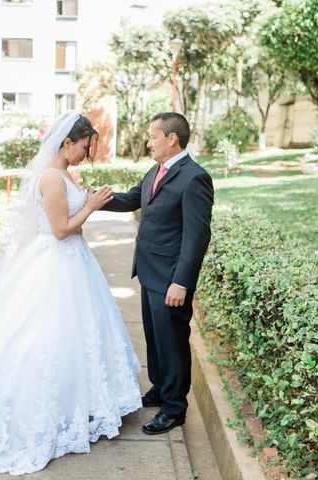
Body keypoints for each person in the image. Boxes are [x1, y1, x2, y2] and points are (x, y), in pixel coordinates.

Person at [0, 111, 142, 475]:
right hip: (55, 262)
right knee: (44, 338)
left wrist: (88, 198)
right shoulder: (50, 176)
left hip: (75, 263)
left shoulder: (63, 172)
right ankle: (47, 412)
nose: (85, 153)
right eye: (83, 146)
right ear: (66, 143)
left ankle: (79, 404)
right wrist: (91, 207)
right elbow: (61, 229)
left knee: (79, 337)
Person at [102, 112, 213, 435]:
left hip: (171, 280)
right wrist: (90, 199)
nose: (148, 142)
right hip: (149, 272)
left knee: (173, 343)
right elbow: (130, 200)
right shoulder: (156, 170)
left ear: (171, 138)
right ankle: (160, 387)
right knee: (155, 339)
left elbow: (196, 237)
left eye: (153, 136)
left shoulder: (194, 178)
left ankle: (175, 407)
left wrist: (181, 282)